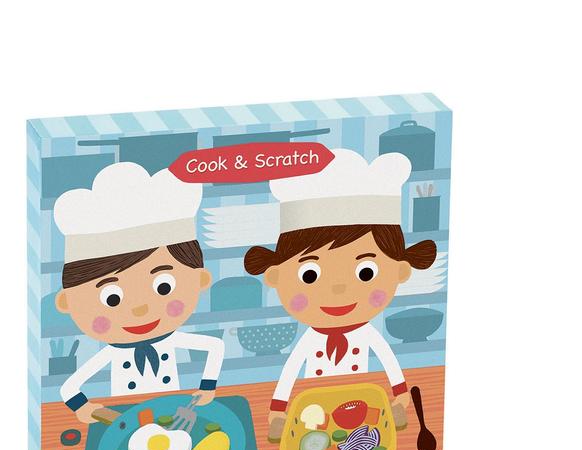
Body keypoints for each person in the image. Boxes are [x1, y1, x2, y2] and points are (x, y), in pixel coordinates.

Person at [243, 150, 436, 433]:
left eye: (366, 272)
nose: (338, 288)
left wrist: (400, 393)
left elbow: (388, 360)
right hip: (315, 405)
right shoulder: (312, 338)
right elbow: (291, 370)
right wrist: (278, 409)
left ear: (400, 270)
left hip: (360, 398)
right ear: (276, 276)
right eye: (310, 275)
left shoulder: (366, 333)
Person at [53, 162, 224, 423]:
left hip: (172, 414)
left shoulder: (171, 340)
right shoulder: (113, 353)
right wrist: (82, 407)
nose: (139, 309)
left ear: (200, 279)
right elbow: (68, 388)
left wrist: (208, 387)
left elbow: (215, 347)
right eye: (112, 299)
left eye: (163, 287)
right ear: (67, 302)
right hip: (129, 420)